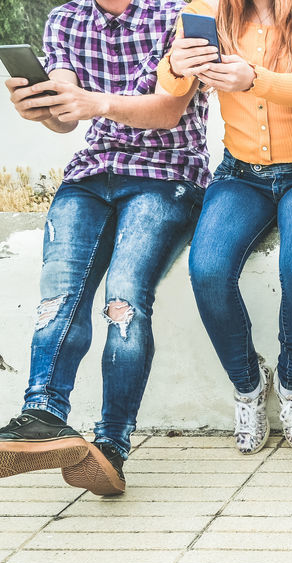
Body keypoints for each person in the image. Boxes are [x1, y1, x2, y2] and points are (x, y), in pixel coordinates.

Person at [0, 0, 208, 496]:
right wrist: (41, 108)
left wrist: (98, 103)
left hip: (167, 175)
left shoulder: (180, 14)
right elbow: (66, 117)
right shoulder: (66, 19)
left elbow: (169, 109)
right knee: (60, 294)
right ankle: (43, 414)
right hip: (91, 175)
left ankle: (111, 444)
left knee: (125, 298)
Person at [160, 0, 292, 456]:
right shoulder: (206, 11)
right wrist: (175, 63)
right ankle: (248, 385)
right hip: (240, 176)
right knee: (207, 270)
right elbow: (169, 84)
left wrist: (252, 78)